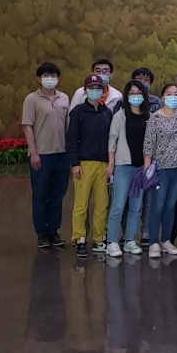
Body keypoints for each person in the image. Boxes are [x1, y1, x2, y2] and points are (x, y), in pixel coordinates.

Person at [66, 71, 115, 256]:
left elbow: (112, 138)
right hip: (84, 163)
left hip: (103, 164)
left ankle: (99, 238)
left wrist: (111, 163)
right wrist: (75, 163)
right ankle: (79, 238)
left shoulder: (106, 112)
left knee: (102, 204)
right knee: (81, 203)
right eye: (92, 88)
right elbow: (72, 139)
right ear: (86, 90)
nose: (95, 91)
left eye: (98, 88)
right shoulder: (78, 112)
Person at [22, 62, 71, 249]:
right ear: (39, 78)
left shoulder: (64, 98)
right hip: (42, 155)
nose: (50, 79)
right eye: (45, 75)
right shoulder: (32, 99)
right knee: (41, 196)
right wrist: (34, 153)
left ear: (58, 78)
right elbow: (27, 126)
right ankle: (41, 233)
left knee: (57, 196)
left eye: (53, 75)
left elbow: (67, 126)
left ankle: (53, 231)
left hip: (61, 155)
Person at [104, 79, 150, 260]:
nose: (135, 96)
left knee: (136, 207)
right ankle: (112, 241)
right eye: (132, 93)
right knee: (118, 205)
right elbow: (112, 139)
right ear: (126, 96)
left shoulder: (149, 117)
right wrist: (111, 163)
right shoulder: (120, 115)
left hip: (141, 168)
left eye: (139, 93)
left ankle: (130, 239)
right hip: (123, 166)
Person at [142, 84, 177, 259]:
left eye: (176, 94)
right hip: (159, 169)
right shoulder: (154, 118)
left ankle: (167, 240)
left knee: (170, 206)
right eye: (169, 94)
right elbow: (148, 145)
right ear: (162, 98)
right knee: (157, 205)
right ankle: (153, 241)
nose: (173, 97)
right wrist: (147, 169)